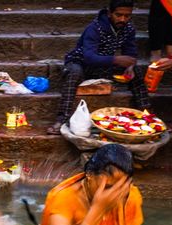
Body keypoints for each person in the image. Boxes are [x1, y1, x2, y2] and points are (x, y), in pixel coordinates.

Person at [47, 0, 151, 135]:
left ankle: (147, 115)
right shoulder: (95, 28)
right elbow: (89, 57)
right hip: (81, 63)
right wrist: (116, 59)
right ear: (109, 13)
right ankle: (61, 119)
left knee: (137, 70)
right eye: (118, 15)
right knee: (74, 72)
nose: (123, 19)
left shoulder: (129, 28)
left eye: (127, 16)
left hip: (104, 66)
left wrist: (130, 66)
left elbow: (130, 53)